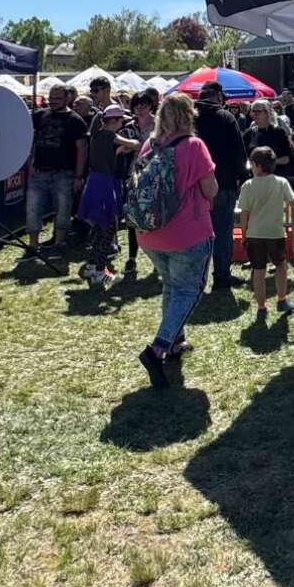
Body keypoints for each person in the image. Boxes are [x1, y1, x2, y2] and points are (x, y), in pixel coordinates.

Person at [133, 93, 219, 388]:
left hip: (149, 234)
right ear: (188, 116)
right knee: (189, 289)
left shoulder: (149, 146)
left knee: (171, 285)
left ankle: (175, 341)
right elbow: (211, 191)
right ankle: (158, 348)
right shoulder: (194, 147)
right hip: (187, 233)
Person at [193, 80, 248, 291]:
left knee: (197, 232)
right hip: (222, 182)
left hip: (194, 184)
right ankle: (222, 275)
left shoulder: (189, 118)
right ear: (217, 95)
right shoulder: (225, 117)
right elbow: (238, 151)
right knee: (222, 230)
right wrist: (242, 178)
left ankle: (197, 277)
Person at [237, 146, 294, 318]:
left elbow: (244, 214)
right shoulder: (281, 182)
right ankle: (282, 300)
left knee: (258, 271)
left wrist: (244, 234)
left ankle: (261, 308)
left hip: (254, 235)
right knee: (281, 265)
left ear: (257, 166)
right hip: (275, 234)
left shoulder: (247, 186)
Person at [25, 84, 88, 256]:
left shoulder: (75, 120)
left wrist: (78, 176)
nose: (53, 102)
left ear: (67, 98)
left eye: (57, 99)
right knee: (32, 207)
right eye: (51, 98)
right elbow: (31, 142)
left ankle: (59, 243)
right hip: (38, 171)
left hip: (64, 173)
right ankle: (33, 246)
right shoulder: (39, 115)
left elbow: (81, 149)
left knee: (63, 209)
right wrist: (30, 163)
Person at [79, 103, 128, 287]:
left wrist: (117, 152)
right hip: (103, 186)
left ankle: (92, 265)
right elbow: (134, 144)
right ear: (115, 120)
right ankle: (99, 270)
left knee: (100, 229)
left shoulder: (98, 134)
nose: (123, 122)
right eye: (122, 119)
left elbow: (106, 159)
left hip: (96, 183)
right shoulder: (109, 134)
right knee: (107, 229)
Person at [114, 92, 157, 277]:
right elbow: (117, 148)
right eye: (137, 106)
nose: (140, 109)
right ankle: (132, 258)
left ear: (150, 106)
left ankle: (158, 259)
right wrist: (129, 146)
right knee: (133, 218)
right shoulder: (129, 127)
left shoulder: (159, 125)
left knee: (156, 218)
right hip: (134, 177)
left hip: (156, 176)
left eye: (144, 105)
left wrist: (132, 146)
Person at [243, 98, 293, 173]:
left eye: (258, 111)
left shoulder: (278, 132)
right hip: (255, 177)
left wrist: (270, 163)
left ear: (267, 113)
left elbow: (288, 158)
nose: (255, 114)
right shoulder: (249, 133)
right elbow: (243, 157)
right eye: (253, 111)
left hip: (274, 176)